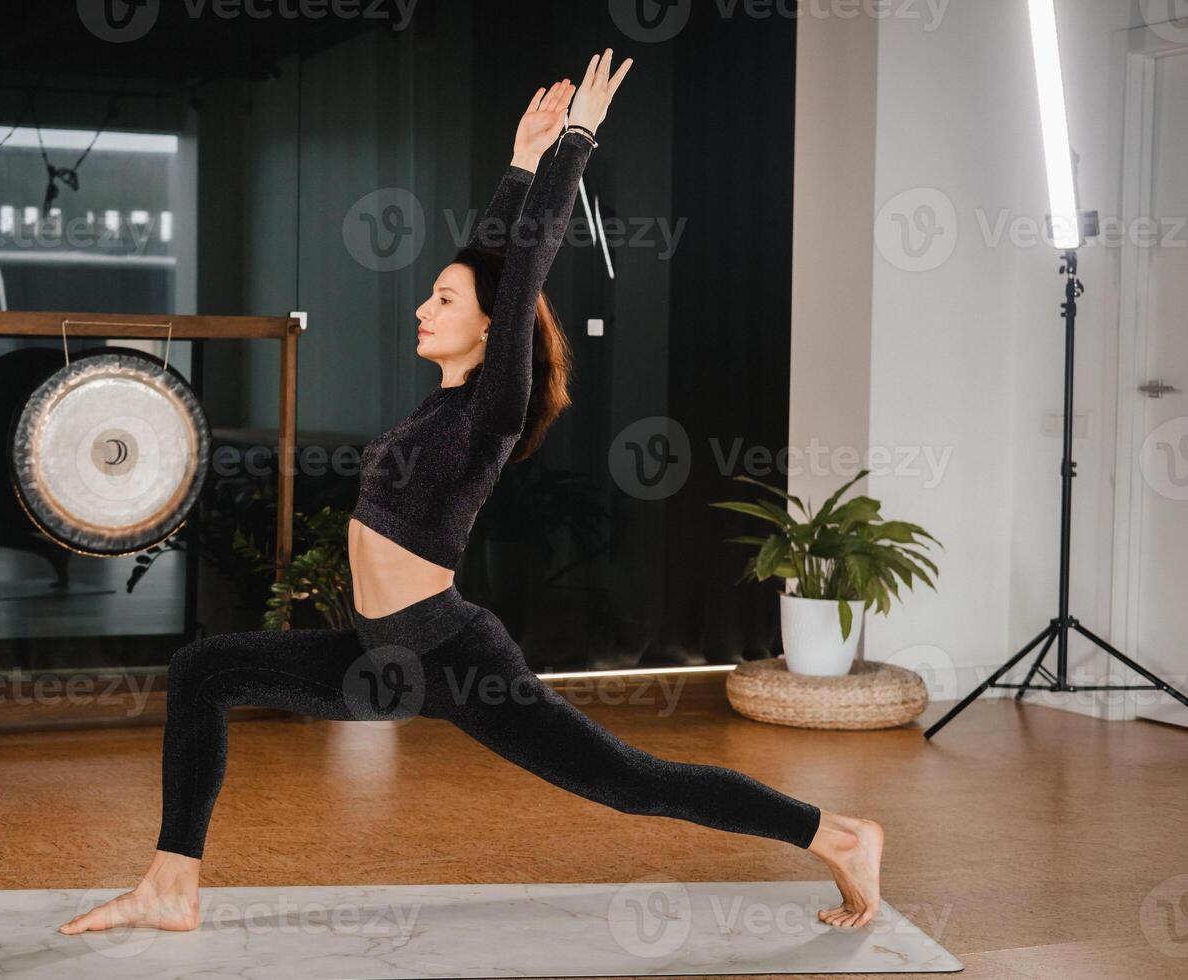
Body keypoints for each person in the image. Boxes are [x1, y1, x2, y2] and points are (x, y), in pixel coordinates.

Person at [61, 48, 883, 937]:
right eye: (429, 294)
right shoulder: (444, 403)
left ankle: (836, 834)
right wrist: (519, 162)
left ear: (491, 333)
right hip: (377, 656)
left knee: (627, 782)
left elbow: (520, 272)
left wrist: (574, 146)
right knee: (203, 671)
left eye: (443, 299)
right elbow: (495, 260)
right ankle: (171, 886)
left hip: (452, 655)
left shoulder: (495, 408)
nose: (422, 307)